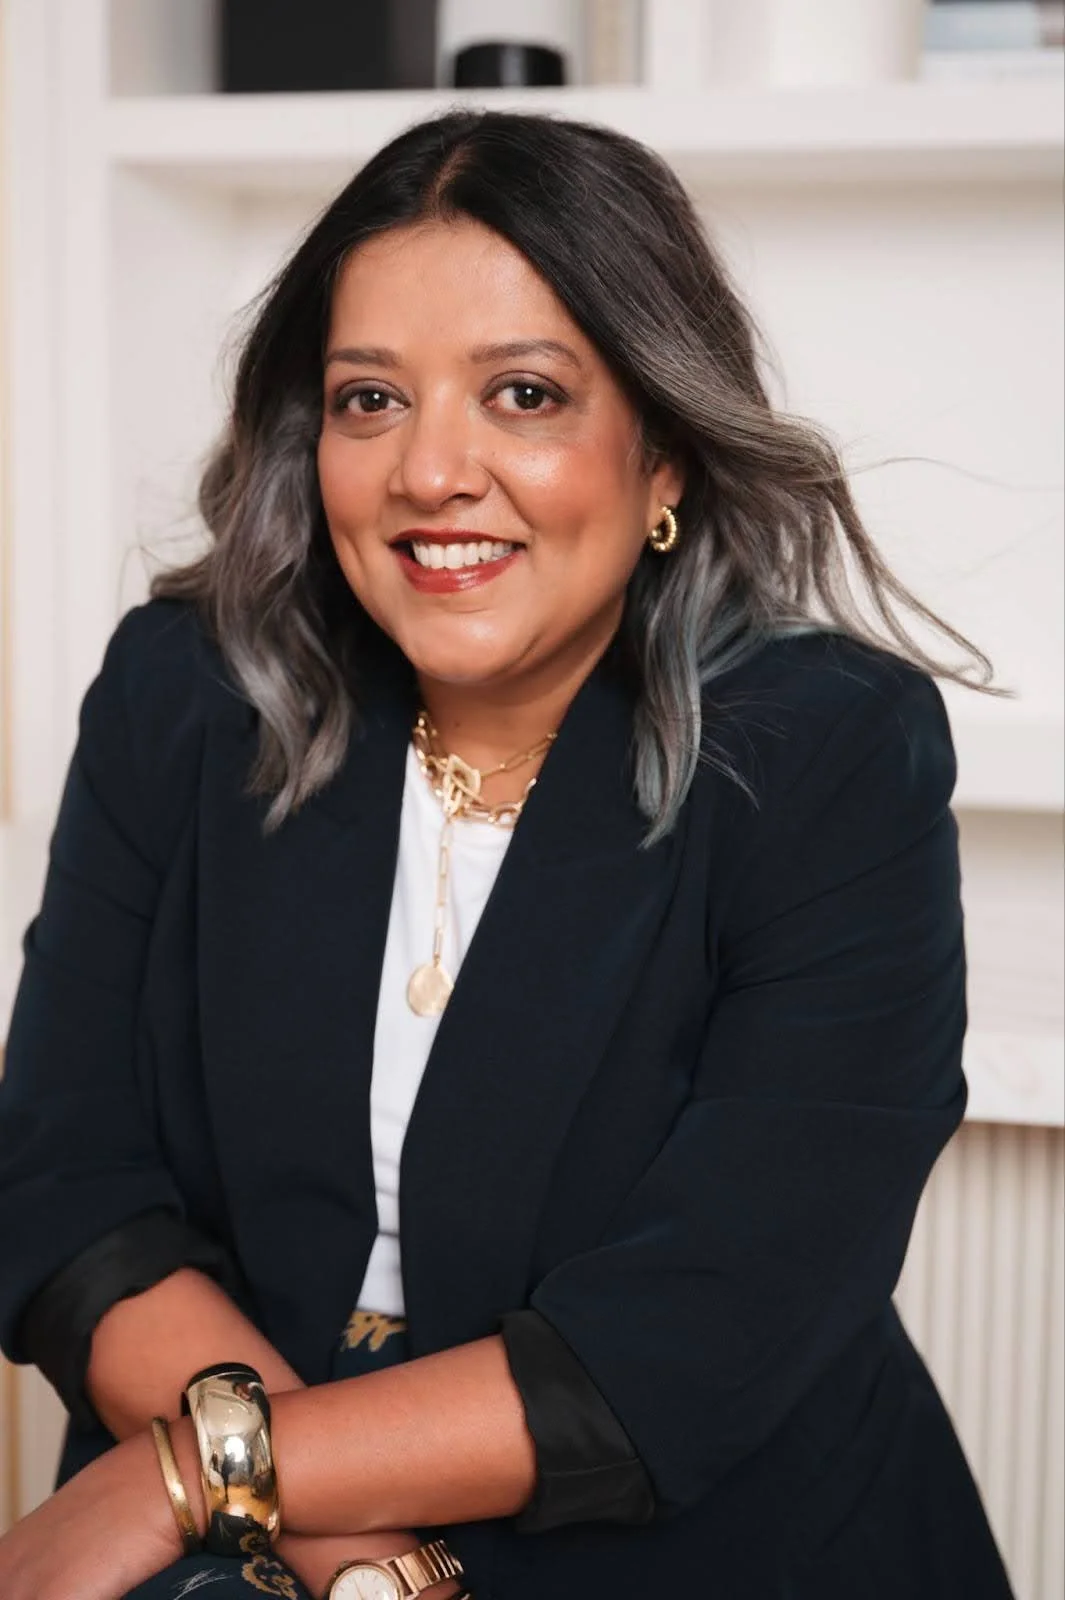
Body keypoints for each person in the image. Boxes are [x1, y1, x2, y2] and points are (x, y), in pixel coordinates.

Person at [0, 108, 1015, 1600]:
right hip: (252, 1523)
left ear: (662, 454)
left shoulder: (832, 751)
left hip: (694, 1542)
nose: (433, 473)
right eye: (369, 401)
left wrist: (191, 1477)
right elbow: (66, 1179)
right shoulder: (185, 693)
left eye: (524, 395)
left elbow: (707, 1327)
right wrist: (337, 1547)